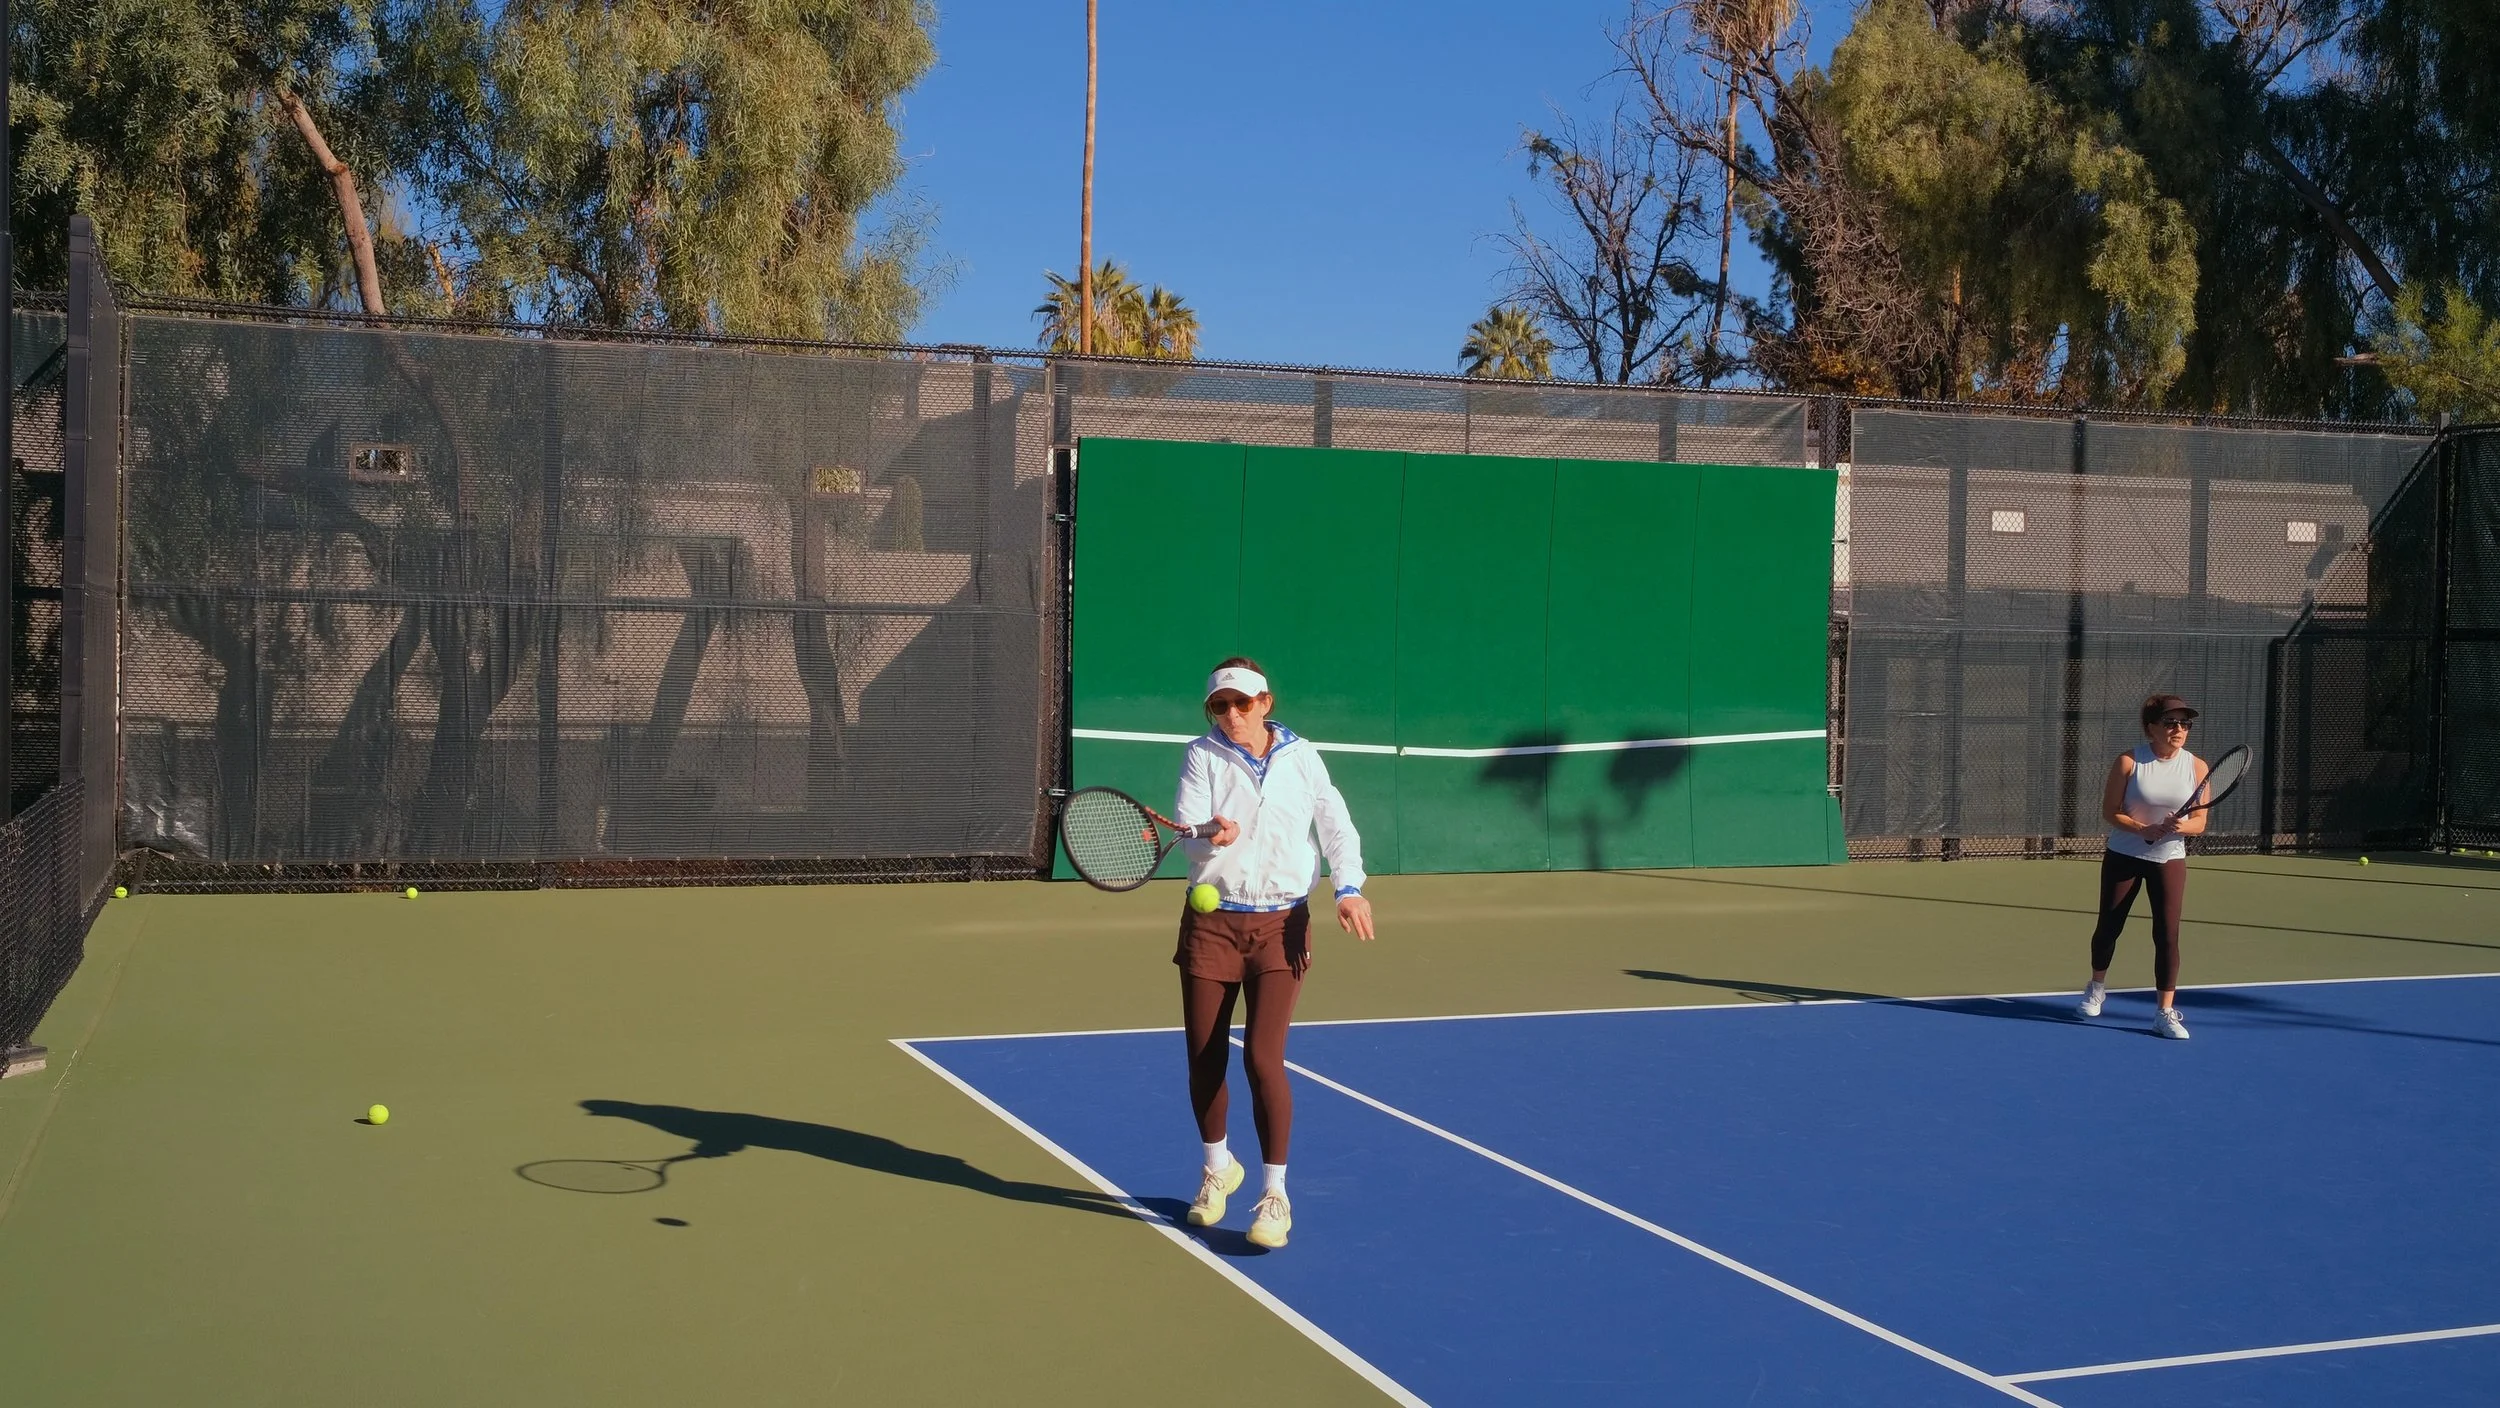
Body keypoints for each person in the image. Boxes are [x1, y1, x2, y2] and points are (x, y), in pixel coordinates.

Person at [1171, 657, 1376, 1249]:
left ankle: (1275, 1194)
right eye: (1219, 706)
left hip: (1282, 923)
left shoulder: (1301, 757)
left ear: (1265, 703)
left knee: (1263, 1060)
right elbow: (1186, 825)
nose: (1231, 715)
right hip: (1212, 923)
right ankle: (1217, 1170)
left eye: (1242, 703)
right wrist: (1212, 830)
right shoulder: (1201, 755)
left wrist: (1349, 886)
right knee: (1204, 1057)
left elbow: (1335, 823)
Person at [2075, 694, 2209, 1040]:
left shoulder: (2197, 767)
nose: (2179, 729)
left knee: (2167, 934)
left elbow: (2200, 823)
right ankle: (2096, 986)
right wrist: (2143, 829)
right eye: (2170, 722)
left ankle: (2164, 1012)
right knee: (2109, 926)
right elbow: (2110, 811)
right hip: (2124, 855)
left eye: (2185, 723)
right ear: (2151, 727)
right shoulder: (2129, 762)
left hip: (2169, 859)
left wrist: (2181, 827)